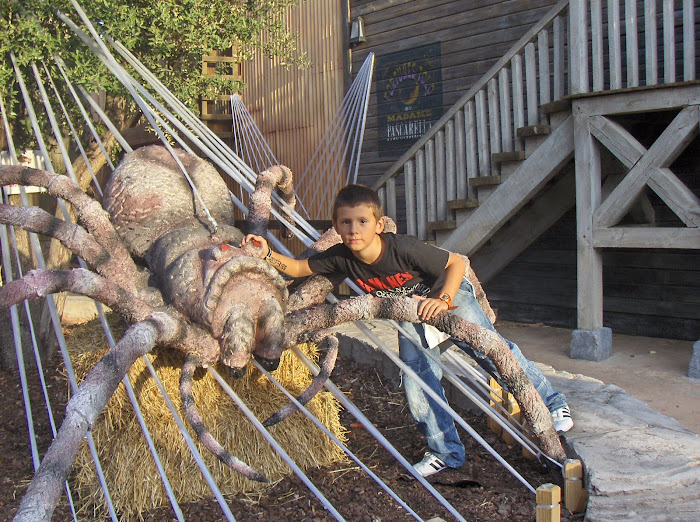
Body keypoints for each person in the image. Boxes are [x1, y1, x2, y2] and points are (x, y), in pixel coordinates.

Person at [241, 184, 573, 477]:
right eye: (346, 222)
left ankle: (551, 402)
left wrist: (442, 299)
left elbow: (456, 263)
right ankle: (445, 451)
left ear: (379, 224)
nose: (354, 229)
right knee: (416, 375)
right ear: (336, 226)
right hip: (410, 313)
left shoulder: (402, 247)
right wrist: (267, 252)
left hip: (449, 297)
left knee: (491, 352)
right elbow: (299, 267)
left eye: (362, 221)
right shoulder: (342, 256)